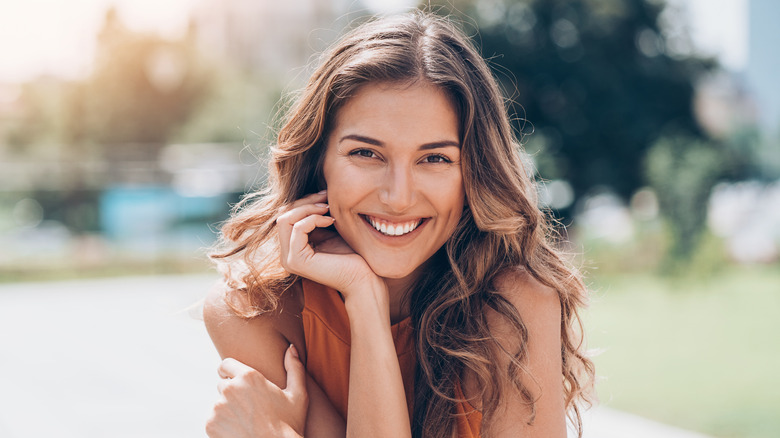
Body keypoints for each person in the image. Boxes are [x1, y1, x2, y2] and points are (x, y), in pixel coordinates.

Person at [203, 10, 594, 438]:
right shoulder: (254, 310)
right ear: (319, 161)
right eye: (366, 154)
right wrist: (364, 298)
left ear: (474, 174)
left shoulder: (513, 305)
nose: (398, 197)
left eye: (435, 159)